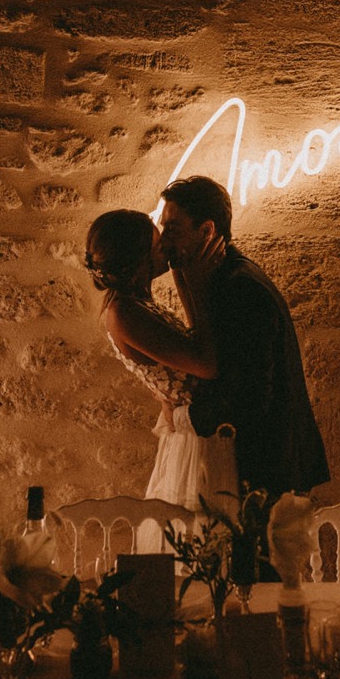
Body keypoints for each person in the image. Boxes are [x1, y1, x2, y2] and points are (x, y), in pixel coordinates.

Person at [158, 176, 330, 500]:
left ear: (206, 231)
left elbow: (249, 397)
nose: (162, 240)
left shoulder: (240, 290)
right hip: (261, 467)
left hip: (266, 472)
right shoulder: (223, 279)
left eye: (173, 229)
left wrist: (181, 417)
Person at [85, 209, 237, 511]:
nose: (166, 247)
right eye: (157, 245)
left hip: (200, 431)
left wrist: (183, 276)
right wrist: (195, 285)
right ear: (138, 258)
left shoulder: (137, 303)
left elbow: (189, 347)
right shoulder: (124, 312)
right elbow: (206, 364)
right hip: (197, 445)